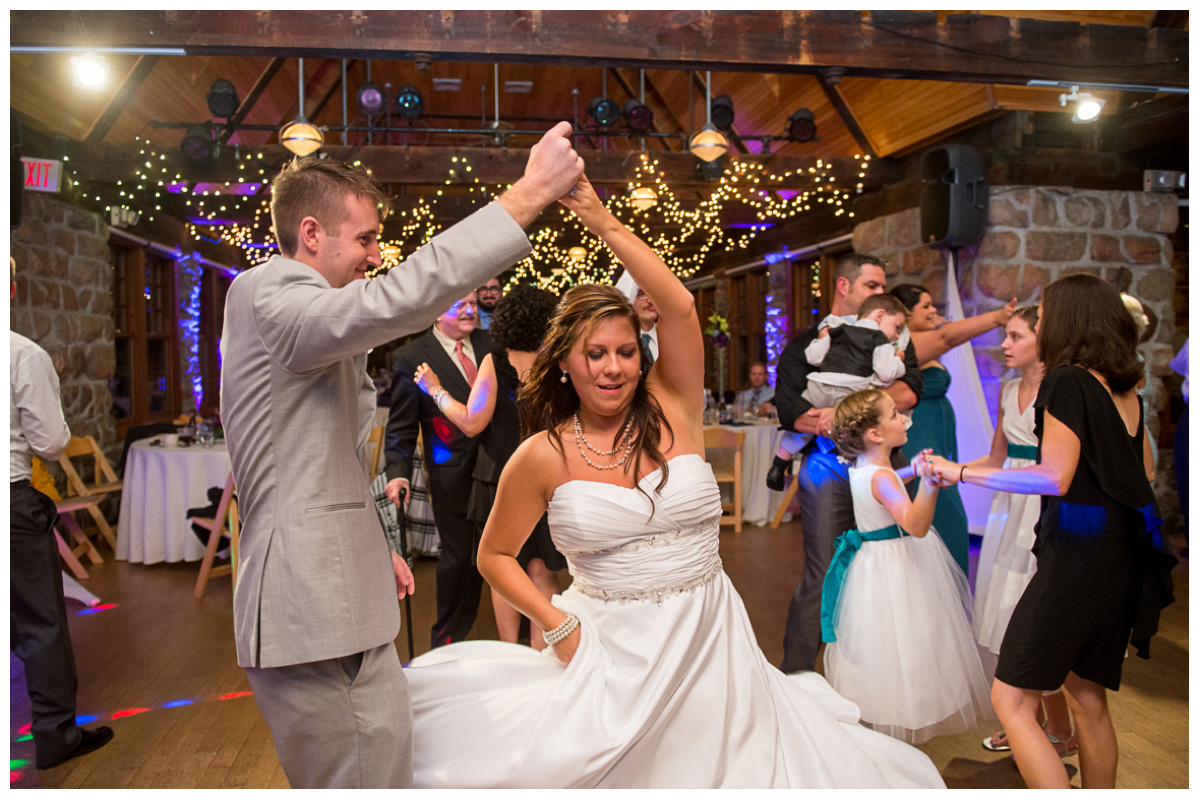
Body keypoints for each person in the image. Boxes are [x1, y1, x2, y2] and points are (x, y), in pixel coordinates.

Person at [400, 177, 945, 789]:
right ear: (565, 364)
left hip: (712, 637)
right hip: (607, 651)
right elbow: (493, 555)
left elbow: (680, 306)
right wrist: (555, 621)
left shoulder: (674, 405)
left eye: (626, 352)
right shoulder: (542, 455)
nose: (613, 368)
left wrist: (604, 224)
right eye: (595, 353)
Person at [219, 122, 584, 789]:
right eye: (363, 238)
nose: (374, 254)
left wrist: (371, 542)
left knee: (385, 762)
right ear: (310, 235)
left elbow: (314, 462)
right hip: (313, 608)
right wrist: (529, 194)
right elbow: (397, 299)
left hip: (336, 593)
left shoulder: (302, 317)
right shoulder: (267, 294)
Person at [932, 274, 1177, 789]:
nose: (1039, 325)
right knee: (1087, 699)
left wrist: (961, 472)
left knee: (1010, 699)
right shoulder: (1123, 384)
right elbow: (1146, 468)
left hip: (1078, 562)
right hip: (1119, 557)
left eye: (1041, 318)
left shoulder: (1067, 380)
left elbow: (1053, 476)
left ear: (1067, 321)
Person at [773, 253, 923, 675]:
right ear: (844, 288)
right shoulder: (806, 345)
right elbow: (793, 411)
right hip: (827, 469)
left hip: (888, 468)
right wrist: (857, 408)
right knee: (823, 571)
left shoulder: (894, 338)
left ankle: (878, 675)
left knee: (891, 566)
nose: (883, 294)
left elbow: (909, 392)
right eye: (873, 286)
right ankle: (798, 677)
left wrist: (836, 412)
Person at [822, 388, 992, 744]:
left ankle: (886, 725)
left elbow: (886, 482)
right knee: (907, 639)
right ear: (876, 434)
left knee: (885, 645)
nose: (905, 419)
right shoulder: (882, 478)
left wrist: (910, 472)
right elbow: (915, 526)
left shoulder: (866, 468)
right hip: (897, 564)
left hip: (875, 562)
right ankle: (901, 723)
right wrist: (929, 485)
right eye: (895, 415)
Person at [411, 284, 566, 650]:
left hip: (501, 477)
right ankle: (547, 657)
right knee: (543, 568)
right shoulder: (560, 362)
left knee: (505, 568)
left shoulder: (496, 361)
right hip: (550, 474)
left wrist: (433, 389)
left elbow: (470, 422)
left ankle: (511, 657)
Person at [952, 307, 1077, 758]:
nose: (1004, 344)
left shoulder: (1062, 390)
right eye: (1005, 335)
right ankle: (1024, 720)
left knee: (1040, 619)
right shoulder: (1007, 391)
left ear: (1042, 342)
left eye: (1015, 336)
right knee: (1008, 615)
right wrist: (955, 470)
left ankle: (1059, 729)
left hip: (1044, 504)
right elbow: (995, 458)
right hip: (1009, 507)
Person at [10, 260, 114, 770]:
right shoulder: (20, 355)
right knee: (39, 624)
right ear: (10, 287)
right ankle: (55, 735)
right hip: (10, 501)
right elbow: (51, 442)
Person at [384, 292, 493, 649]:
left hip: (501, 469)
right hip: (453, 476)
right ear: (435, 310)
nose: (469, 310)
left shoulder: (493, 344)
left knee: (508, 555)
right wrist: (397, 472)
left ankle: (518, 640)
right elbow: (400, 427)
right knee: (459, 559)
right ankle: (447, 643)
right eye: (459, 303)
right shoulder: (412, 357)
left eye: (474, 303)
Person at [889, 283, 1016, 577]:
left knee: (950, 513)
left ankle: (949, 600)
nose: (934, 310)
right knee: (939, 513)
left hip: (938, 432)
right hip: (918, 437)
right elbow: (946, 337)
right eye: (926, 306)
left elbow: (944, 333)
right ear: (906, 315)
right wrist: (998, 317)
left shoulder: (921, 340)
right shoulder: (904, 346)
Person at [772, 293, 908, 460]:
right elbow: (886, 375)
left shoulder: (838, 329)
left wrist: (822, 340)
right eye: (897, 327)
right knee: (852, 424)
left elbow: (813, 358)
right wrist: (898, 361)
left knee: (808, 423)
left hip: (819, 386)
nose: (897, 336)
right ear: (880, 316)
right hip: (850, 391)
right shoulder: (880, 340)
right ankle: (847, 459)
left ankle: (781, 458)